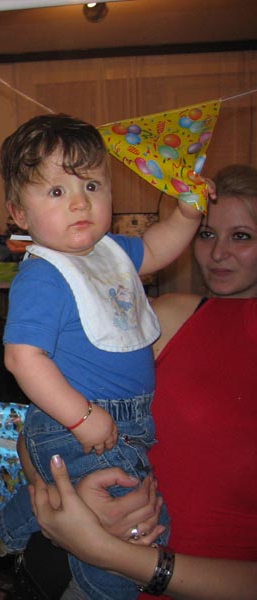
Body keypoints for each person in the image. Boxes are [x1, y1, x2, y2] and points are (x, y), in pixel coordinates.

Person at [0, 113, 203, 599]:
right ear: (19, 213)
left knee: (72, 498)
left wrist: (187, 215)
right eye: (56, 191)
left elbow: (156, 248)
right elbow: (23, 359)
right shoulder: (44, 275)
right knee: (137, 524)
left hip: (119, 417)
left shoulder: (108, 252)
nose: (79, 202)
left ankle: (0, 544)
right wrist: (82, 416)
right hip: (76, 416)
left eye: (92, 185)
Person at [24, 163, 257, 599]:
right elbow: (38, 431)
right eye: (207, 233)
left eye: (241, 236)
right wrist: (70, 502)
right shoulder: (163, 318)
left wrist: (113, 553)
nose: (218, 253)